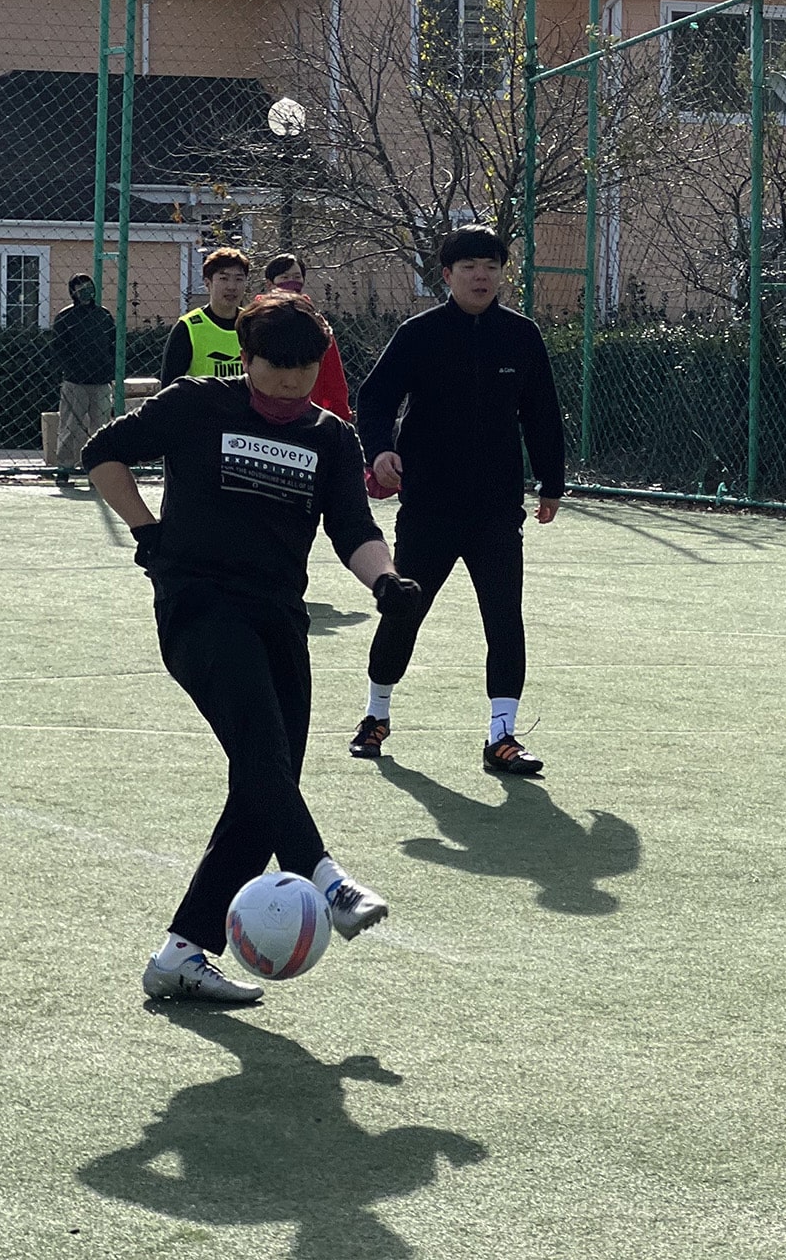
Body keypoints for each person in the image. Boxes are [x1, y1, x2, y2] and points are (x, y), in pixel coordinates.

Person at [83, 291, 425, 1003]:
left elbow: (354, 529)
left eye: (307, 367)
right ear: (248, 357)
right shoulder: (196, 404)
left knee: (264, 784)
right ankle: (326, 879)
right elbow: (102, 453)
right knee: (264, 758)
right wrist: (149, 534)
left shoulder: (331, 436)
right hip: (200, 607)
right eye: (277, 367)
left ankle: (181, 953)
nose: (292, 382)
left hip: (278, 619)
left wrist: (386, 580)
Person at [346, 224, 565, 778]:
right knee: (405, 610)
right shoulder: (419, 334)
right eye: (468, 266)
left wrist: (551, 481)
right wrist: (380, 452)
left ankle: (502, 736)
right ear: (447, 275)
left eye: (491, 265)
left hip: (495, 509)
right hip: (430, 506)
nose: (481, 275)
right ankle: (376, 715)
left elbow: (541, 413)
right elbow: (373, 400)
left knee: (504, 619)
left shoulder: (522, 335)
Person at [264, 252, 352, 422]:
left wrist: (341, 417)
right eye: (285, 277)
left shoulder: (316, 323)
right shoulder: (256, 322)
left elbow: (334, 378)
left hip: (307, 413)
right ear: (269, 283)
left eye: (297, 276)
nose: (291, 282)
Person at [50, 272, 116, 485]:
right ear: (73, 292)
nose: (85, 290)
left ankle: (97, 468)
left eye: (88, 285)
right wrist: (69, 370)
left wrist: (109, 369)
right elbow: (58, 349)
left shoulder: (103, 315)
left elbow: (113, 344)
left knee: (102, 427)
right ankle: (65, 467)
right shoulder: (65, 317)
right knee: (71, 426)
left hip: (102, 381)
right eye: (80, 287)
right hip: (75, 382)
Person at [159, 247, 251, 385]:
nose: (232, 286)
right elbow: (168, 388)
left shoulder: (253, 324)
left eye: (238, 279)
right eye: (224, 278)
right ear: (207, 283)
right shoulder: (188, 328)